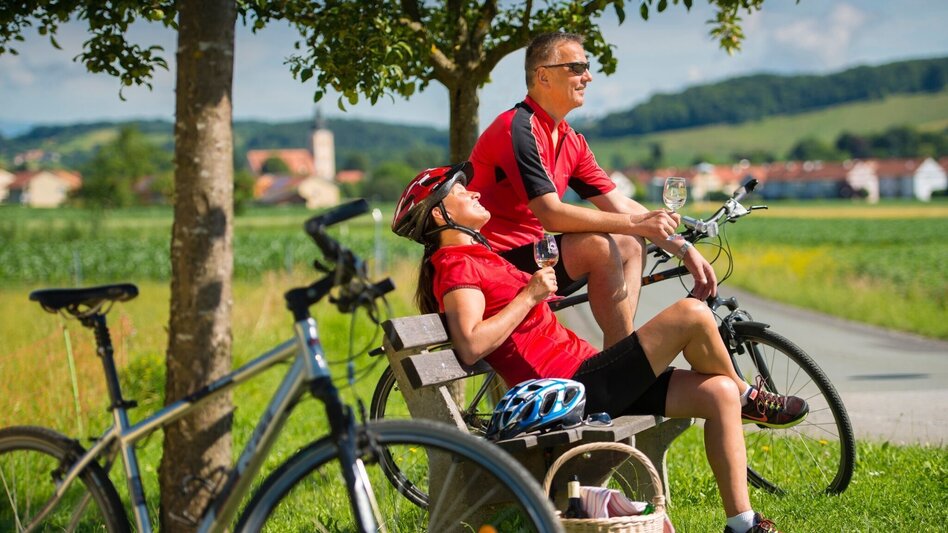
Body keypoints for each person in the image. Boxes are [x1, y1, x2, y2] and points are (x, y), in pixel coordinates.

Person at [392, 163, 808, 533]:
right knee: (691, 314)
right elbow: (470, 345)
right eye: (460, 192)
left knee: (718, 393)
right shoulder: (456, 265)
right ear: (440, 214)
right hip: (569, 389)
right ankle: (750, 398)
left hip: (588, 373)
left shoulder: (481, 255)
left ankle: (742, 523)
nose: (474, 192)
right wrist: (529, 295)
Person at [468, 31, 718, 349]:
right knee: (597, 245)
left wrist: (683, 249)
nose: (588, 76)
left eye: (587, 67)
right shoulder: (517, 128)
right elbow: (551, 214)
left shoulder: (570, 140)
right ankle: (621, 363)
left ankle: (618, 353)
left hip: (533, 258)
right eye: (576, 67)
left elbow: (619, 204)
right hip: (490, 263)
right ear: (543, 76)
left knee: (630, 243)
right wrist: (636, 224)